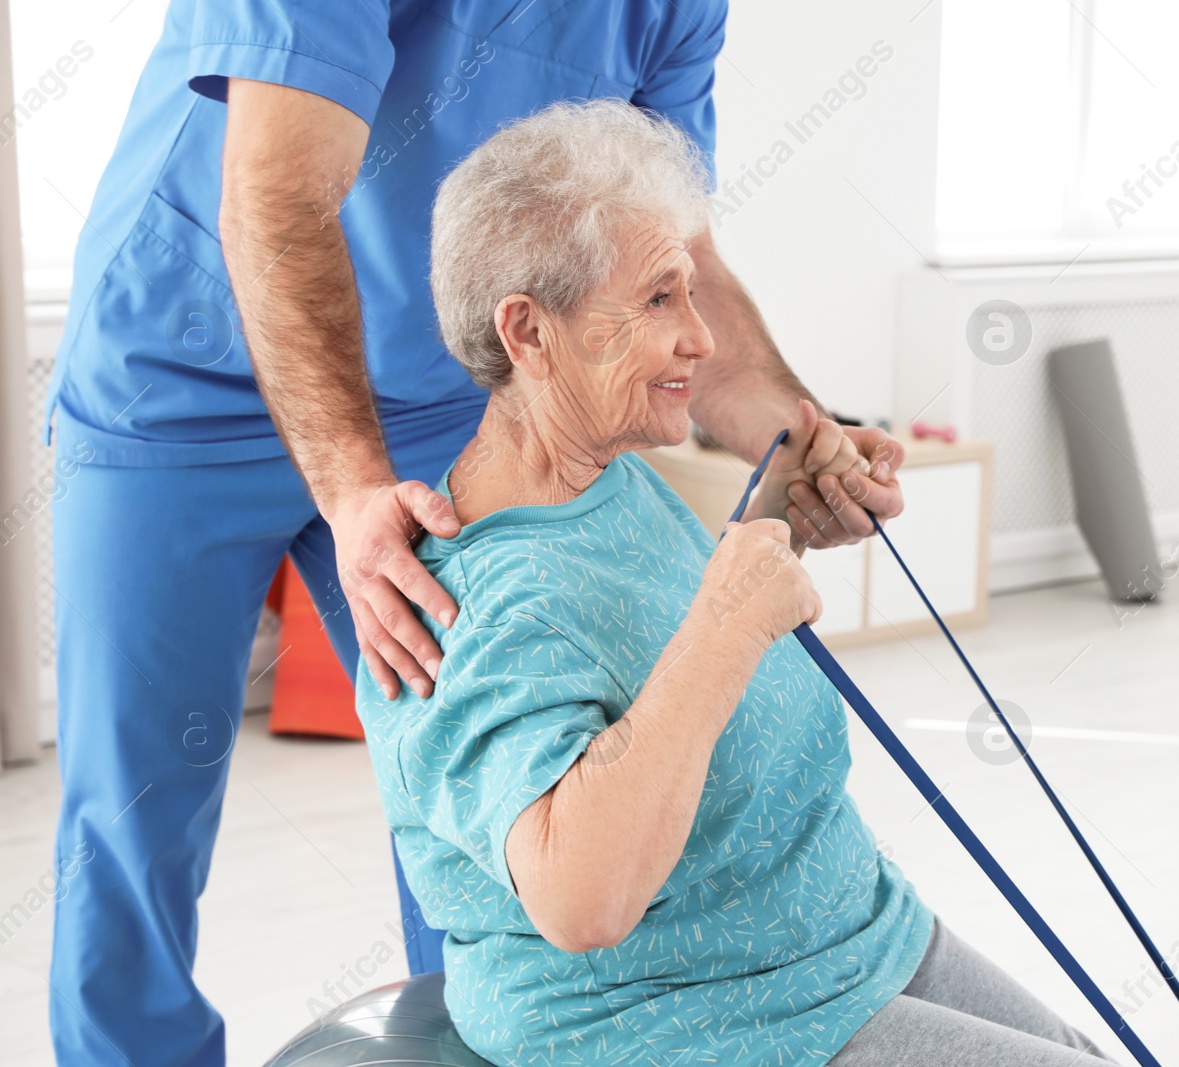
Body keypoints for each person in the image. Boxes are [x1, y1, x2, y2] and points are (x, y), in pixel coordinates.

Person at [42, 2, 905, 1064]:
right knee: (134, 814)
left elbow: (667, 250)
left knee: (492, 790)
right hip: (178, 379)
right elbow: (276, 194)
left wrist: (801, 434)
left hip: (427, 391)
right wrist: (356, 490)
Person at [354, 96, 1118, 1067]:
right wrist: (728, 619)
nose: (702, 341)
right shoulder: (468, 601)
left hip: (844, 928)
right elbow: (582, 895)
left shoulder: (610, 475)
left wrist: (774, 517)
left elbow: (651, 656)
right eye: (659, 299)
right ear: (529, 331)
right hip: (690, 1014)